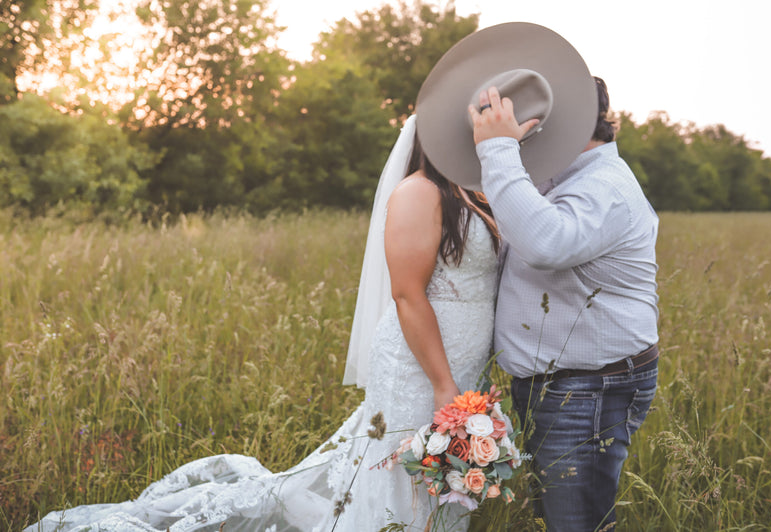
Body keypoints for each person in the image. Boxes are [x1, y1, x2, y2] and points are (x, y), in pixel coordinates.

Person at [26, 114, 500, 532]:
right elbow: (407, 293)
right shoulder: (421, 191)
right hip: (422, 368)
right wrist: (443, 385)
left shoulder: (472, 194)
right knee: (400, 474)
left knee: (441, 479)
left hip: (462, 366)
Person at [467, 78, 659, 531]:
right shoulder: (571, 176)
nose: (524, 132)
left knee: (577, 523)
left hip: (589, 390)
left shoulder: (603, 186)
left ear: (566, 124)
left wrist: (497, 149)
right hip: (568, 387)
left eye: (532, 122)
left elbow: (545, 243)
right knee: (557, 517)